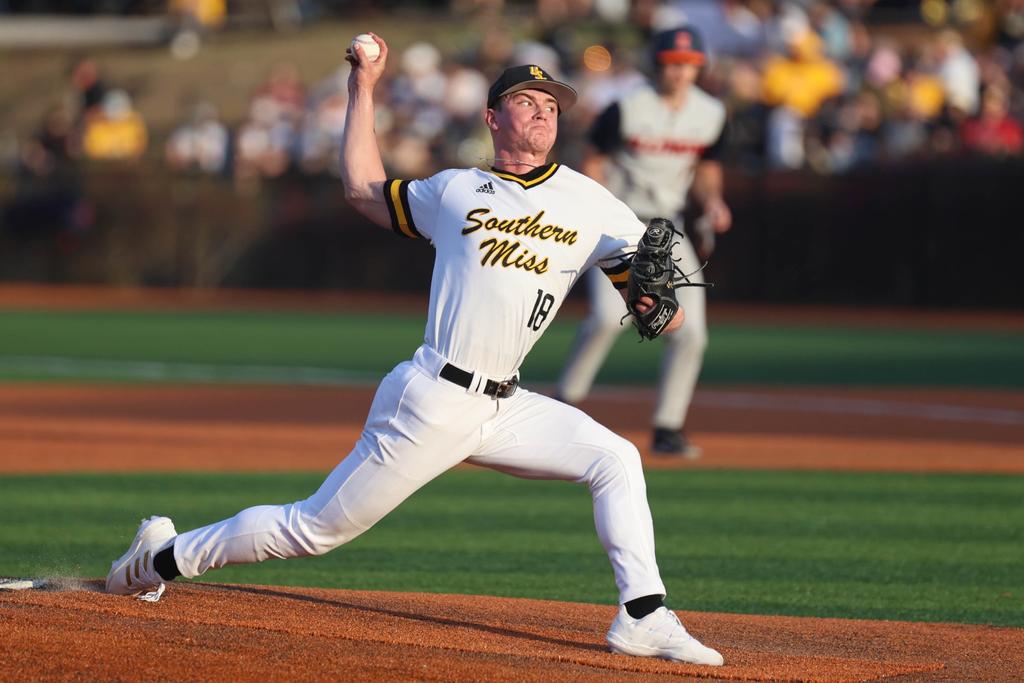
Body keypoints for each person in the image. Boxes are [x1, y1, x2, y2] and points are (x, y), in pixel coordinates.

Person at [104, 33, 724, 667]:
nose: (543, 110)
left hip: (506, 405)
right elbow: (361, 188)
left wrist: (658, 307)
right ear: (492, 117)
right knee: (313, 530)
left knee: (616, 459)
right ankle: (158, 557)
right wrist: (363, 87)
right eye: (526, 99)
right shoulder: (454, 190)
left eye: (552, 103)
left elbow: (657, 302)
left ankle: (643, 615)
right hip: (434, 397)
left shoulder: (592, 202)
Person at [555, 26, 733, 458]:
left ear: (699, 67)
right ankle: (562, 405)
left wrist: (713, 201)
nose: (680, 71)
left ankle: (667, 426)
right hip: (618, 222)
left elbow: (707, 165)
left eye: (688, 64)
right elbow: (593, 157)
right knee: (604, 318)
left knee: (691, 331)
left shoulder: (710, 113)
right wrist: (593, 208)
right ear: (658, 64)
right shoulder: (627, 108)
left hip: (667, 228)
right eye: (673, 62)